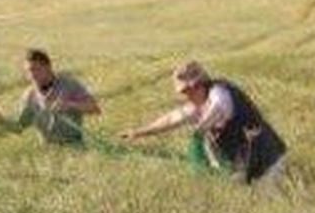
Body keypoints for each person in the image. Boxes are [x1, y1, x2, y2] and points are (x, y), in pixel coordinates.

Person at [120, 61, 287, 184]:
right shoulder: (198, 104)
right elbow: (172, 119)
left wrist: (202, 127)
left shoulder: (220, 92)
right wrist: (138, 132)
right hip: (245, 165)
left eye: (188, 90)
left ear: (200, 84)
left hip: (268, 160)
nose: (186, 96)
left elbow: (220, 107)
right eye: (183, 92)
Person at [0, 48, 102, 145]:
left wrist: (69, 105)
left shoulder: (69, 84)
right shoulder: (29, 95)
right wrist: (3, 122)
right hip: (48, 151)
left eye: (36, 69)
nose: (32, 75)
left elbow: (95, 109)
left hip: (74, 146)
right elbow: (19, 127)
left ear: (48, 67)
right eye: (29, 71)